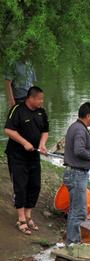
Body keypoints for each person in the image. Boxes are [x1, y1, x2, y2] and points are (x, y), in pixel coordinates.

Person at [4, 86, 49, 235]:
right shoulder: (17, 109)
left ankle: (29, 216)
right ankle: (21, 219)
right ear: (31, 98)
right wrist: (24, 142)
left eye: (42, 99)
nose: (41, 102)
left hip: (34, 156)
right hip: (17, 156)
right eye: (39, 99)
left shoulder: (41, 112)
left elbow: (45, 131)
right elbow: (8, 130)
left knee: (34, 186)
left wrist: (42, 144)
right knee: (20, 186)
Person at [63, 102, 90, 245]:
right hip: (76, 174)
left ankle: (71, 241)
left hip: (74, 173)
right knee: (79, 211)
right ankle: (74, 243)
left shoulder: (76, 127)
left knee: (75, 209)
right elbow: (79, 151)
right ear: (88, 116)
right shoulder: (80, 130)